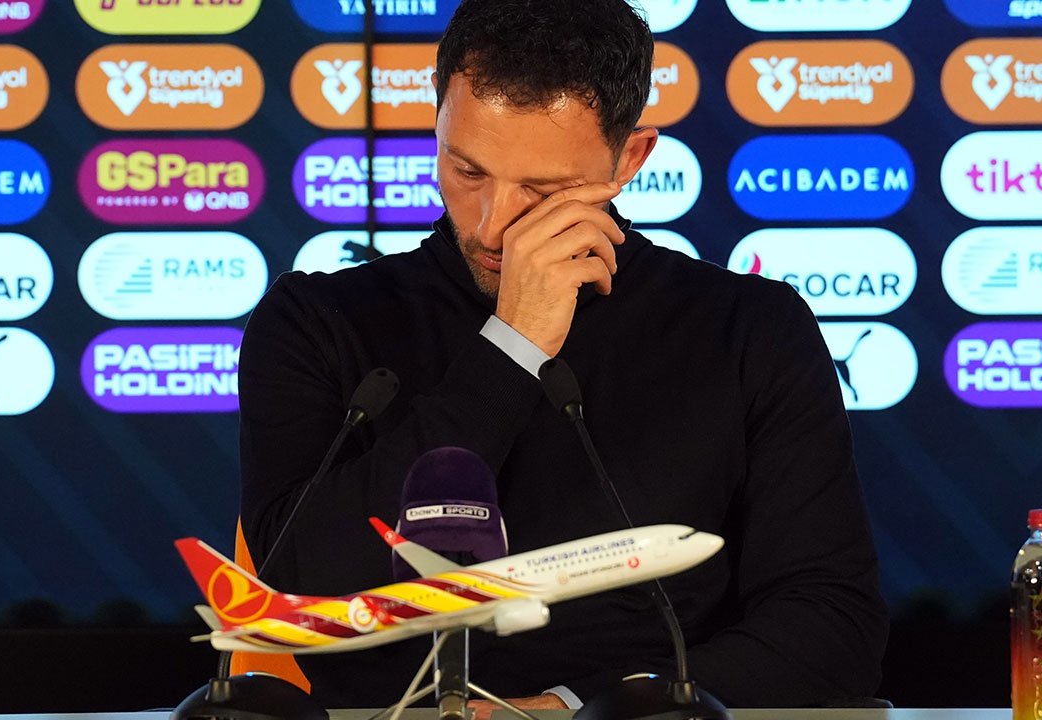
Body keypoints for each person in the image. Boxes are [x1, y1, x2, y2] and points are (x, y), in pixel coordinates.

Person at [239, 0, 888, 710]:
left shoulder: (750, 329)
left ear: (629, 159)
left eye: (541, 191)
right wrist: (511, 346)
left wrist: (575, 708)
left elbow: (833, 630)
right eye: (467, 170)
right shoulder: (314, 321)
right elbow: (292, 596)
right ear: (438, 124)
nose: (493, 226)